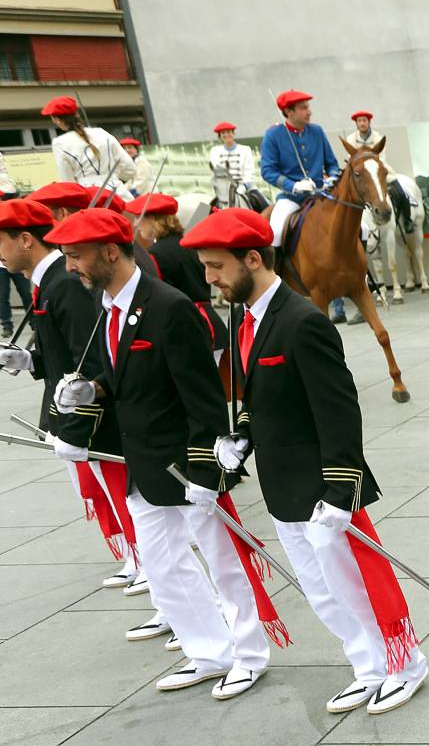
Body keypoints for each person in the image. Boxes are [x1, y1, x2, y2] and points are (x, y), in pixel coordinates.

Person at [186, 208, 429, 714]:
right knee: (323, 593)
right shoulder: (244, 320)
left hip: (323, 490)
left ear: (252, 258)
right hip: (283, 488)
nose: (208, 278)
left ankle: (404, 666)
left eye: (216, 267)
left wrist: (342, 491)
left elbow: (339, 410)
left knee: (357, 585)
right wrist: (242, 437)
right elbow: (261, 396)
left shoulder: (303, 322)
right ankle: (368, 667)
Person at [49, 207, 279, 699]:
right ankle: (208, 651)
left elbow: (203, 398)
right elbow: (122, 376)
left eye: (76, 256)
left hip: (187, 463)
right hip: (143, 465)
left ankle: (249, 654)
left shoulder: (169, 307)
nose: (70, 266)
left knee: (225, 564)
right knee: (162, 565)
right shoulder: (106, 307)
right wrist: (91, 391)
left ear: (110, 251)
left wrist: (206, 471)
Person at [0, 199, 149, 603]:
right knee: (112, 496)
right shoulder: (48, 283)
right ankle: (139, 562)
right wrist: (31, 359)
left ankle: (147, 566)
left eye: (2, 241)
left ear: (26, 240)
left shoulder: (62, 284)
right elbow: (64, 353)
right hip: (68, 408)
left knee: (122, 496)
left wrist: (79, 426)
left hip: (95, 416)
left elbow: (91, 358)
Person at [133, 193, 229, 348]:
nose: (136, 224)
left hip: (184, 329)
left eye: (140, 217)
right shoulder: (189, 245)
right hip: (210, 324)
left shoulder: (156, 254)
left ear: (153, 219)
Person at [259, 90, 341, 255]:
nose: (309, 112)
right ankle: (279, 277)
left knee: (363, 227)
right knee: (276, 233)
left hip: (322, 195)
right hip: (291, 198)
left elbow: (332, 164)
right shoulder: (273, 135)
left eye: (308, 107)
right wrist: (293, 186)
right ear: (289, 112)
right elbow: (267, 171)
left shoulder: (317, 131)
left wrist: (332, 178)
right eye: (303, 108)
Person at [42, 96, 135, 194]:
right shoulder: (101, 132)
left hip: (89, 196)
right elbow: (130, 169)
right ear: (77, 114)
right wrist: (112, 176)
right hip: (118, 192)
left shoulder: (59, 143)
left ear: (57, 119)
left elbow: (67, 180)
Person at [209, 122, 265, 210]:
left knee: (265, 206)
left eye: (229, 132)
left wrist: (244, 186)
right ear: (220, 136)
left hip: (244, 188)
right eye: (223, 133)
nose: (226, 135)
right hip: (223, 190)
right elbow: (215, 173)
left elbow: (250, 172)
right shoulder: (215, 151)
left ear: (233, 133)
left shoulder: (245, 149)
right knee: (201, 212)